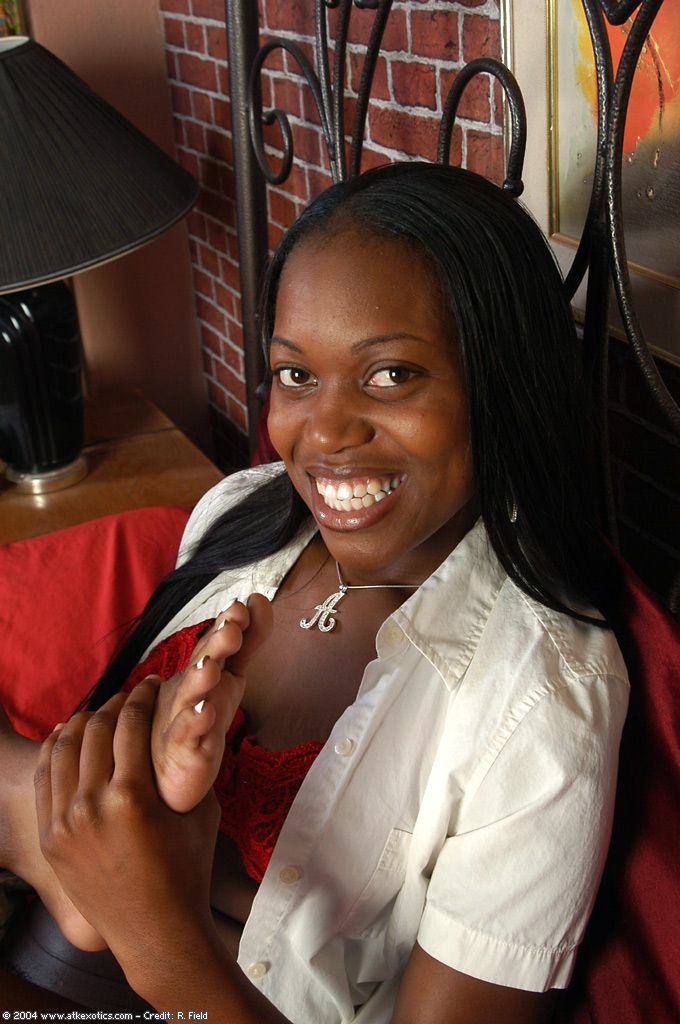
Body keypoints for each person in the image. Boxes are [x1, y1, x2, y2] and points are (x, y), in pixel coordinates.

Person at [2, 162, 629, 1022]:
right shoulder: (244, 511)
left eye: (390, 374)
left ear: (502, 383)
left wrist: (157, 930)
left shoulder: (545, 696)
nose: (323, 432)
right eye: (297, 375)